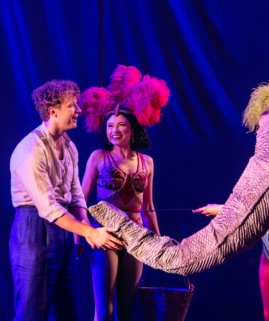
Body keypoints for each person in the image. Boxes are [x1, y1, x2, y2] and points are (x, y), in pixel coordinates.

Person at [193, 81, 269, 321]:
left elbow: (264, 202)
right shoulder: (258, 163)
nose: (261, 133)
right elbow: (247, 198)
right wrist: (223, 208)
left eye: (266, 128)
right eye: (259, 128)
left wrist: (221, 209)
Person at [10, 79, 124, 321]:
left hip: (63, 229)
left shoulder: (69, 146)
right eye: (72, 105)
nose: (78, 111)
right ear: (53, 111)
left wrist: (83, 231)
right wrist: (90, 233)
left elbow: (75, 195)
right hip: (34, 229)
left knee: (67, 311)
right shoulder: (31, 151)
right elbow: (49, 208)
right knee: (32, 312)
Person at [78, 65, 169, 321]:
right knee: (104, 310)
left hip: (136, 236)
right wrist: (82, 234)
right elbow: (81, 199)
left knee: (127, 309)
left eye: (120, 125)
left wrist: (157, 241)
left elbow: (148, 206)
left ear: (133, 129)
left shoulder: (147, 162)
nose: (114, 130)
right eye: (109, 126)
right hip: (105, 233)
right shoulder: (98, 157)